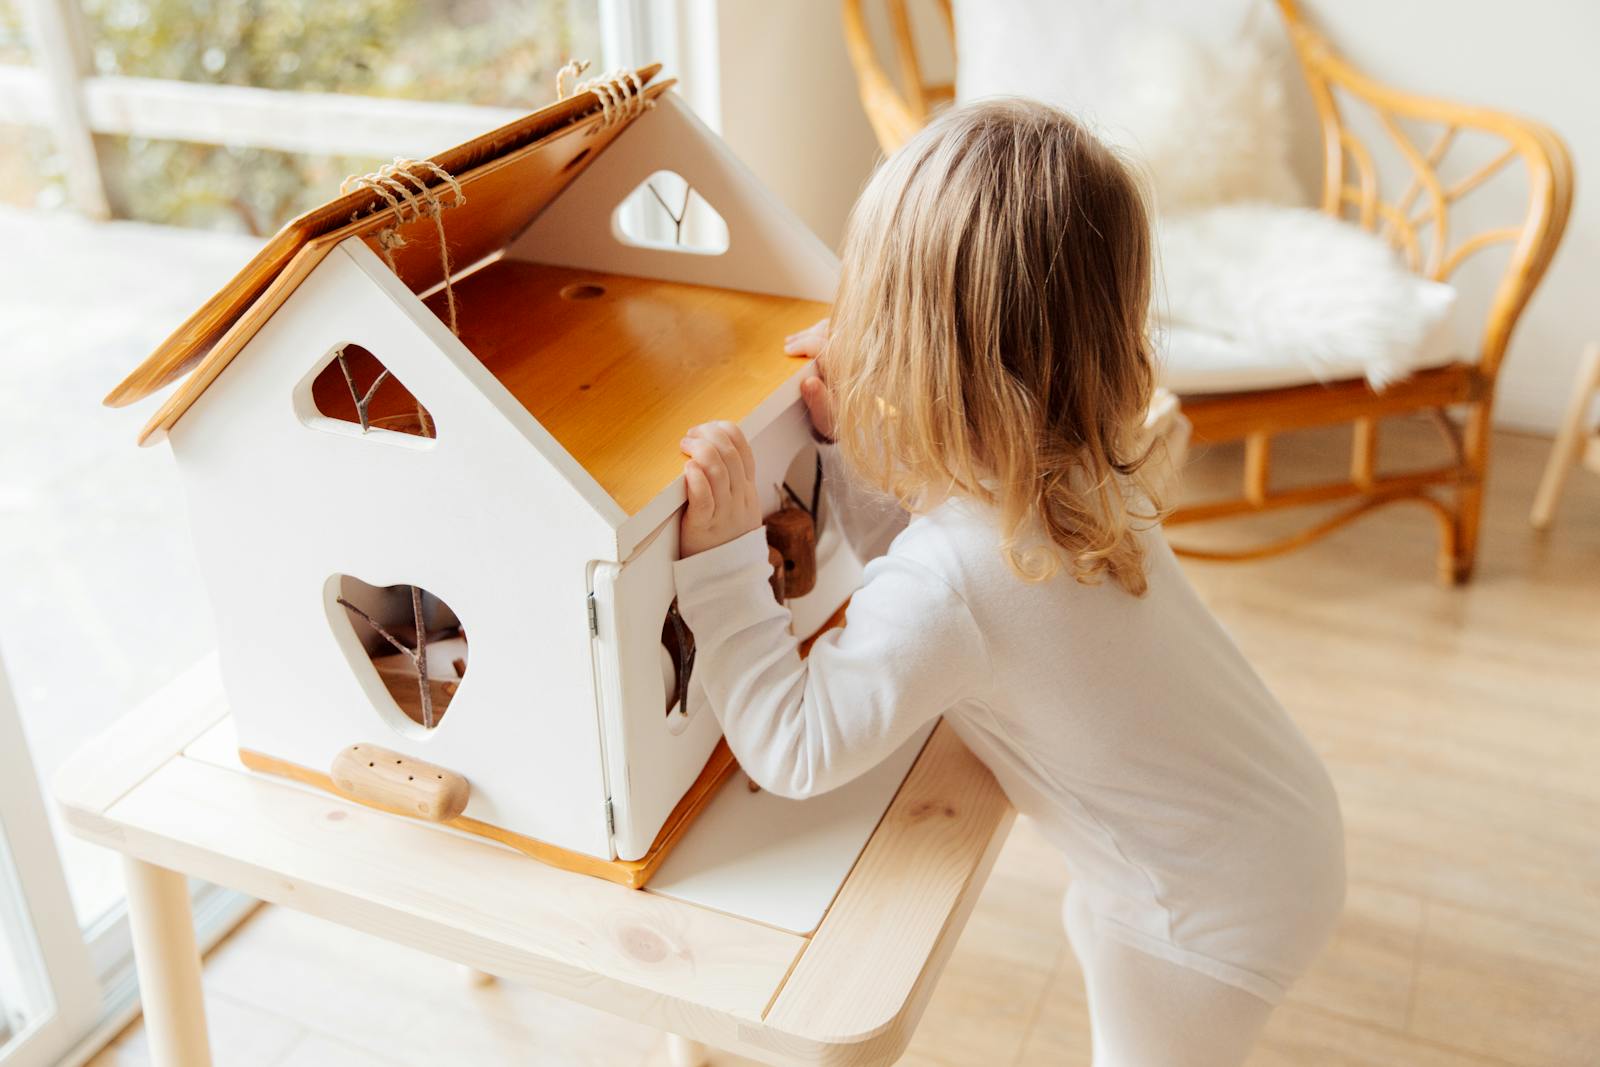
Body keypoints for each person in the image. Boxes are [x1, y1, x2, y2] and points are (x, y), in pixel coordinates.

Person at [672, 99, 1344, 1067]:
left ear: (918, 356)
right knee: (1099, 922)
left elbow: (797, 741)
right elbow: (927, 549)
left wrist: (723, 558)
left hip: (1198, 918)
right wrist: (847, 447)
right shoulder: (1074, 469)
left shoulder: (956, 581)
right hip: (1268, 833)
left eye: (870, 308)